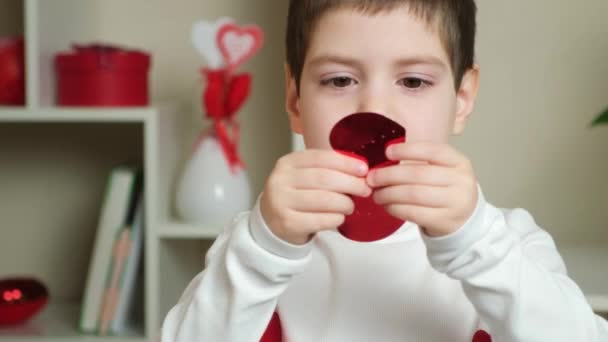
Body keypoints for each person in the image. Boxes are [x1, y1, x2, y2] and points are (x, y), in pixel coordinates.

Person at [161, 0, 608, 340]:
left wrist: (474, 242)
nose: (374, 109)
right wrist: (264, 248)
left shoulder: (507, 242)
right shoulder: (253, 245)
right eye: (339, 80)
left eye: (413, 81)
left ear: (462, 100)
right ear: (296, 101)